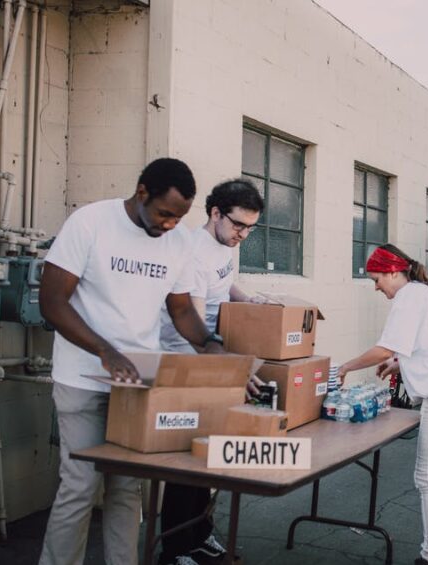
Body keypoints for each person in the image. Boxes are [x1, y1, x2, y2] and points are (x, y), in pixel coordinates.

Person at [38, 158, 226, 565]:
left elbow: (181, 310)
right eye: (164, 214)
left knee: (127, 490)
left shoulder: (178, 242)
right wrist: (105, 350)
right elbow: (51, 302)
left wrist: (210, 344)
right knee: (80, 487)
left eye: (179, 217)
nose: (170, 224)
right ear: (142, 193)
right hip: (83, 379)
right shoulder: (91, 223)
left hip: (137, 385)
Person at [337, 245, 428, 565]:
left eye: (376, 279)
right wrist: (400, 364)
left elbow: (385, 348)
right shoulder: (426, 293)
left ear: (392, 272)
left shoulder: (409, 296)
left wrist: (345, 367)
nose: (376, 287)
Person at [156, 178, 266, 565]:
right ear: (216, 213)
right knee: (187, 461)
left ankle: (200, 536)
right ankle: (175, 550)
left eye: (251, 228)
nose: (243, 235)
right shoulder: (193, 252)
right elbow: (196, 323)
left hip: (212, 358)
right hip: (187, 361)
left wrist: (251, 300)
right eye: (239, 225)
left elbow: (225, 284)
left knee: (208, 456)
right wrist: (229, 369)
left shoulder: (223, 245)